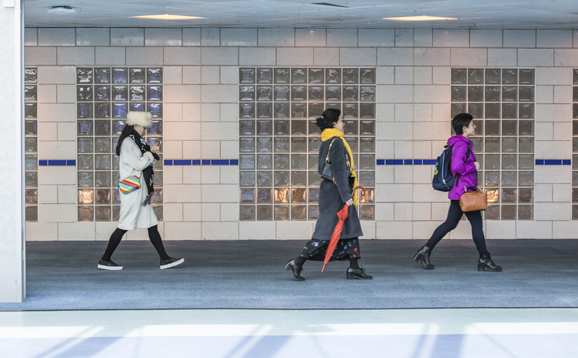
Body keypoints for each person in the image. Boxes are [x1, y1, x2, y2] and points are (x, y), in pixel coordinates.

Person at [285, 108, 372, 280]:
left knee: (349, 228)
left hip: (330, 190)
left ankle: (354, 267)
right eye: (341, 120)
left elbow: (326, 168)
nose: (344, 123)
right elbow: (339, 172)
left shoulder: (327, 141)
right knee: (326, 231)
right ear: (334, 123)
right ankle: (298, 261)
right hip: (337, 193)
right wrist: (347, 197)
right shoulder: (337, 142)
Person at [413, 113, 502, 272]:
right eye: (472, 124)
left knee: (450, 223)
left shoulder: (460, 144)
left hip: (459, 191)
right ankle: (484, 259)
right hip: (464, 193)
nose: (475, 127)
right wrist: (473, 166)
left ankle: (425, 250)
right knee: (476, 225)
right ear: (464, 128)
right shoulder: (462, 145)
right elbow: (456, 167)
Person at [98, 111, 184, 270]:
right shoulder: (128, 143)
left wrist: (150, 152)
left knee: (152, 224)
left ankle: (164, 259)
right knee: (124, 225)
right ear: (135, 125)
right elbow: (138, 165)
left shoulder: (136, 142)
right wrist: (151, 153)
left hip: (139, 191)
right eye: (144, 126)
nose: (145, 129)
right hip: (133, 191)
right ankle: (105, 259)